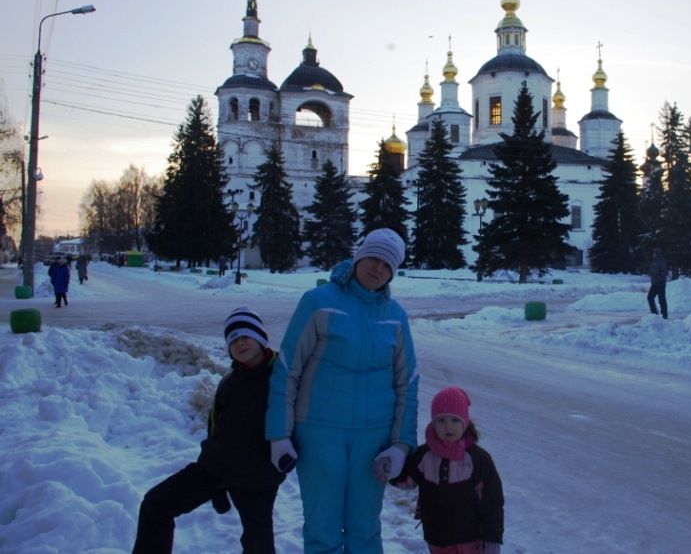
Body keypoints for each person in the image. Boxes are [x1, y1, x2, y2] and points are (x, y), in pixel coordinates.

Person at [266, 227, 419, 554]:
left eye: (387, 265)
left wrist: (401, 445)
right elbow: (287, 370)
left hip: (372, 441)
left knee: (365, 531)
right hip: (320, 434)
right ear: (359, 256)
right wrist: (279, 434)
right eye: (374, 258)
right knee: (323, 531)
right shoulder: (318, 302)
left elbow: (407, 383)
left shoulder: (395, 316)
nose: (378, 268)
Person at [132, 307, 286, 554]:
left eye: (245, 335)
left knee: (258, 547)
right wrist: (216, 480)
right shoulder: (230, 382)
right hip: (215, 470)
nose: (240, 343)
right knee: (155, 505)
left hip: (257, 479)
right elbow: (215, 429)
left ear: (260, 337)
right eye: (233, 339)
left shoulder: (284, 376)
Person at [393, 386, 504, 554]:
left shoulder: (478, 459)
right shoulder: (424, 456)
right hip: (438, 538)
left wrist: (493, 539)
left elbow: (492, 502)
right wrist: (389, 466)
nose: (448, 427)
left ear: (465, 422)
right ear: (433, 423)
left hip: (471, 540)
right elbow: (405, 479)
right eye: (441, 421)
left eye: (454, 420)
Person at [647, 247, 669, 319]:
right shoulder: (654, 262)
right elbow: (652, 270)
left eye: (654, 253)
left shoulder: (662, 262)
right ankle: (655, 314)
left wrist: (659, 279)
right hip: (654, 283)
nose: (653, 255)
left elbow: (664, 272)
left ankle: (664, 316)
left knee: (661, 299)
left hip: (660, 283)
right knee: (650, 297)